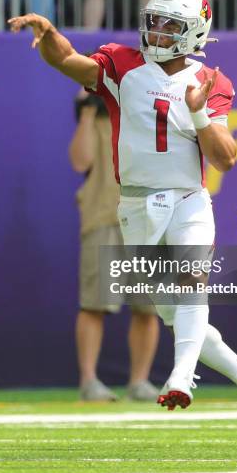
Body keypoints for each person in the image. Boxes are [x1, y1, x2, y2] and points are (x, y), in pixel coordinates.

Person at [9, 0, 237, 432]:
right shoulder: (123, 65)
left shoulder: (210, 82)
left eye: (170, 25)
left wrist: (198, 114)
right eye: (154, 22)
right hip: (136, 205)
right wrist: (48, 35)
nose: (158, 32)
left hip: (187, 200)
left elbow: (225, 158)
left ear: (195, 31)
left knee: (192, 282)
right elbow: (67, 61)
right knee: (169, 310)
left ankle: (181, 376)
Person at [70, 89, 159, 401]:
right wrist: (86, 112)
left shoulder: (145, 114)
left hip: (148, 221)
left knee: (148, 307)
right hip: (103, 217)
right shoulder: (93, 121)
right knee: (94, 304)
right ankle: (89, 381)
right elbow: (80, 162)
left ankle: (139, 381)